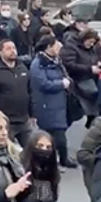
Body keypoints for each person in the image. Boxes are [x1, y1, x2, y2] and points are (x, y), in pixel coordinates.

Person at [29, 35, 75, 168]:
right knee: (54, 134)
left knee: (59, 133)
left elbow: (65, 74)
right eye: (56, 45)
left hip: (59, 103)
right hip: (46, 104)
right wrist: (61, 84)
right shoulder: (38, 64)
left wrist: (67, 81)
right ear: (48, 47)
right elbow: (43, 83)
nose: (59, 47)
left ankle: (60, 159)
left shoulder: (56, 60)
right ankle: (53, 160)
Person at [0, 39, 33, 146]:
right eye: (8, 49)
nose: (13, 51)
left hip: (23, 120)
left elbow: (30, 91)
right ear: (0, 52)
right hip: (4, 122)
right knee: (6, 152)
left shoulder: (23, 68)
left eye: (14, 48)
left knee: (30, 151)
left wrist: (33, 113)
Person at [17, 131, 60, 202]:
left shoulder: (51, 173)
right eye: (40, 146)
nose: (44, 150)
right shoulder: (19, 170)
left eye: (48, 147)